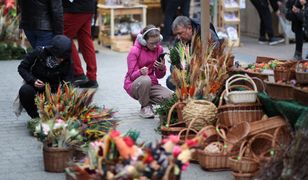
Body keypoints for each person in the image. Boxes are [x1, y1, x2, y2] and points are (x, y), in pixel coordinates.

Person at [18, 35, 73, 119]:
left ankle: (52, 116)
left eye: (64, 57)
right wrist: (33, 80)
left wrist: (63, 98)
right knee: (25, 91)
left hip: (53, 93)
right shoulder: (39, 53)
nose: (61, 60)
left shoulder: (67, 61)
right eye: (59, 57)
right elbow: (22, 68)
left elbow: (68, 82)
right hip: (36, 90)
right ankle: (36, 117)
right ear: (53, 51)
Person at [124, 25, 173, 119]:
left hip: (151, 83)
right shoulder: (134, 51)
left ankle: (147, 100)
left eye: (157, 42)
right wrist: (140, 72)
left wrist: (162, 68)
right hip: (135, 84)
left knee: (171, 98)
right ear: (143, 41)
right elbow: (131, 76)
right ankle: (145, 106)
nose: (155, 46)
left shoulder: (159, 49)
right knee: (145, 80)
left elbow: (159, 76)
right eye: (152, 43)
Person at [166, 16, 220, 91]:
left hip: (205, 73)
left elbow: (216, 56)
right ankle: (185, 96)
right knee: (170, 81)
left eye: (180, 33)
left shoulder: (206, 34)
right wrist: (179, 72)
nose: (178, 37)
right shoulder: (179, 40)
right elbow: (173, 64)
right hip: (188, 74)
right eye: (176, 34)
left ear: (189, 28)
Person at [62, 0, 98, 88]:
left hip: (74, 7)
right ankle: (91, 77)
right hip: (87, 6)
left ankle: (78, 72)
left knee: (64, 38)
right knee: (85, 40)